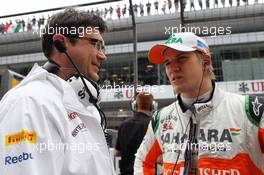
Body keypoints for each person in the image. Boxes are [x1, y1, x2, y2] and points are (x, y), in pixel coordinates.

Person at [0, 8, 116, 175]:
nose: (102, 55)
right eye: (95, 44)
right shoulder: (29, 103)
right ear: (61, 43)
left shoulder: (79, 104)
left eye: (102, 47)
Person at [134, 32, 264, 174]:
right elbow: (142, 160)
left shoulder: (251, 110)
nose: (173, 68)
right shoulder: (161, 118)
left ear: (206, 62)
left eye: (181, 58)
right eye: (167, 62)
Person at [115, 92, 157, 175]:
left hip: (125, 172)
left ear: (134, 106)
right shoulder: (153, 125)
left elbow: (117, 152)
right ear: (153, 106)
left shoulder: (124, 124)